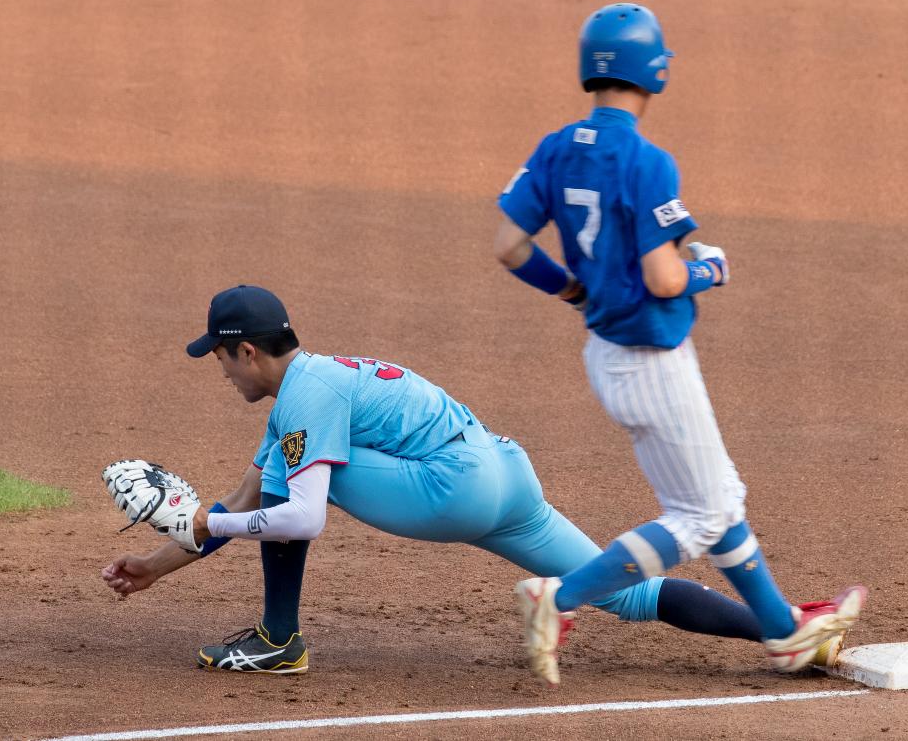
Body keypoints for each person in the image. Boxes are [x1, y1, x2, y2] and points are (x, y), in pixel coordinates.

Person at [101, 284, 828, 676]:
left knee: (300, 488)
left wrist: (203, 522)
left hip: (451, 486)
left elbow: (298, 516)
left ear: (248, 351)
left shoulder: (306, 400)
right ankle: (788, 628)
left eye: (221, 359)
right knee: (625, 592)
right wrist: (159, 565)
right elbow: (242, 501)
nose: (221, 373)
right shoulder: (312, 389)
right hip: (505, 474)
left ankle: (279, 638)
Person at [494, 3, 866, 686]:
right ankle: (561, 596)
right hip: (654, 361)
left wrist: (573, 290)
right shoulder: (646, 161)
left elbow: (510, 247)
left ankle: (784, 635)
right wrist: (711, 269)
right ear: (653, 71)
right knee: (698, 516)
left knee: (718, 496)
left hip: (607, 354)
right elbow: (666, 277)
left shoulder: (554, 148)